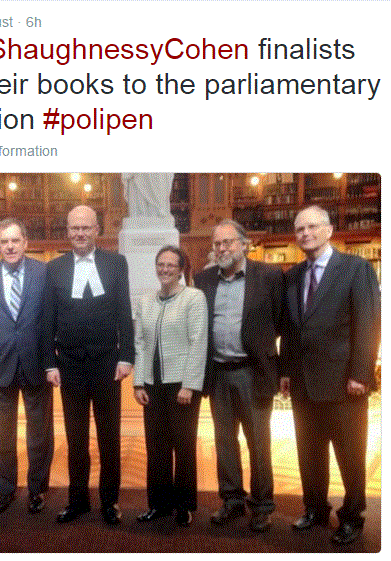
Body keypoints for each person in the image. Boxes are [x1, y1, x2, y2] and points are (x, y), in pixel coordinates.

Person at [280, 205, 380, 545]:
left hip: (344, 385)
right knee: (309, 452)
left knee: (350, 455)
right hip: (303, 384)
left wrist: (361, 374)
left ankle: (352, 516)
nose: (304, 234)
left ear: (329, 230)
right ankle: (315, 509)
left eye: (311, 227)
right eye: (299, 229)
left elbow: (367, 323)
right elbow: (291, 332)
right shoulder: (293, 275)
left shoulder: (355, 268)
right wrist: (285, 372)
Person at [43, 205, 134, 525]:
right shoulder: (53, 268)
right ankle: (78, 500)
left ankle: (110, 502)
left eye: (86, 228)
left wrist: (127, 357)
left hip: (107, 362)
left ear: (97, 229)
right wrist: (49, 363)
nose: (79, 234)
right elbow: (47, 320)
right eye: (74, 229)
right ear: (67, 232)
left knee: (109, 436)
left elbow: (125, 309)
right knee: (76, 437)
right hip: (69, 365)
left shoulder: (115, 263)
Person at [194, 219, 283, 532]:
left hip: (253, 372)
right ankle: (231, 500)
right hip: (218, 373)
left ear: (244, 244)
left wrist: (278, 369)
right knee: (224, 442)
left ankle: (262, 506)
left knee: (259, 443)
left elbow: (282, 321)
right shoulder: (203, 278)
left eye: (228, 242)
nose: (222, 248)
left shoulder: (269, 276)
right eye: (217, 243)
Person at [0, 218, 54, 515]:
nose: (10, 246)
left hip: (36, 364)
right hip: (0, 366)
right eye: (4, 241)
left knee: (40, 433)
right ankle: (5, 490)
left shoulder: (43, 272)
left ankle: (37, 490)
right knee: (2, 433)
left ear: (25, 242)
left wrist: (51, 363)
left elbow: (50, 321)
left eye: (15, 240)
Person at [133, 246, 208, 526]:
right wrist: (138, 383)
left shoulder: (193, 298)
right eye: (160, 264)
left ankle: (184, 506)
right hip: (152, 385)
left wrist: (189, 384)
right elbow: (139, 344)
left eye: (170, 265)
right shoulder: (146, 300)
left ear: (181, 269)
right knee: (156, 447)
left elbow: (198, 341)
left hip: (181, 384)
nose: (164, 269)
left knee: (183, 445)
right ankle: (159, 504)